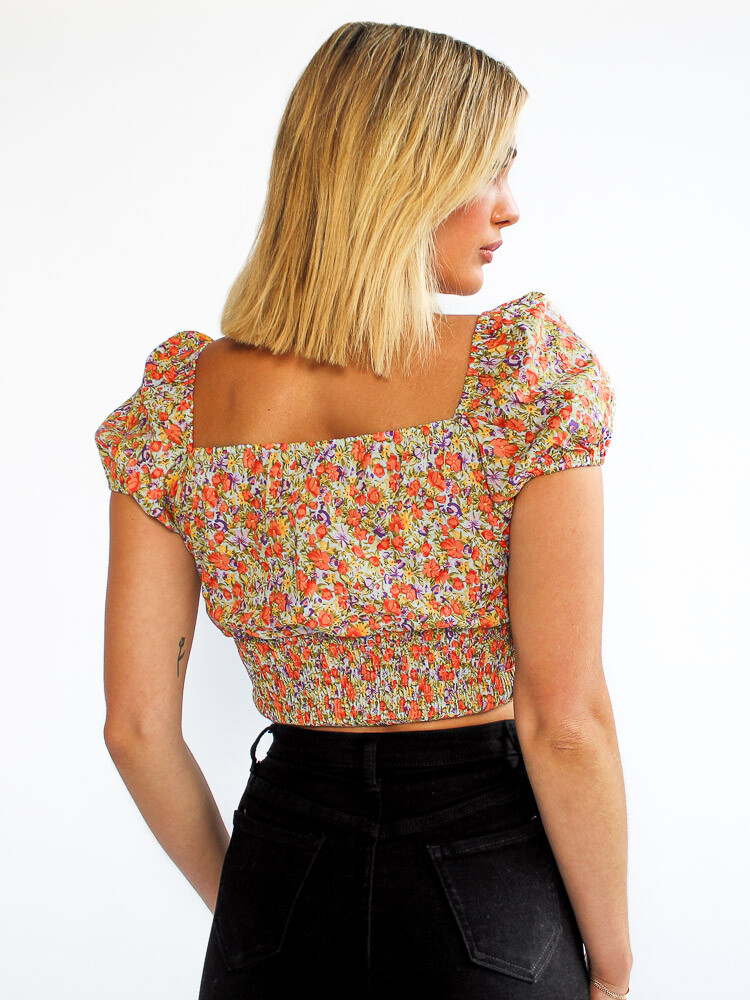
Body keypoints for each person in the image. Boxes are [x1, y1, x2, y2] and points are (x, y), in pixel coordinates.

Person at [94, 21, 632, 1000]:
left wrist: (252, 906)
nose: (510, 206)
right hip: (486, 868)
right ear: (403, 175)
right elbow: (566, 722)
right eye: (488, 168)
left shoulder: (180, 404)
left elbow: (134, 727)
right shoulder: (524, 378)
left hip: (282, 857)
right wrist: (614, 962)